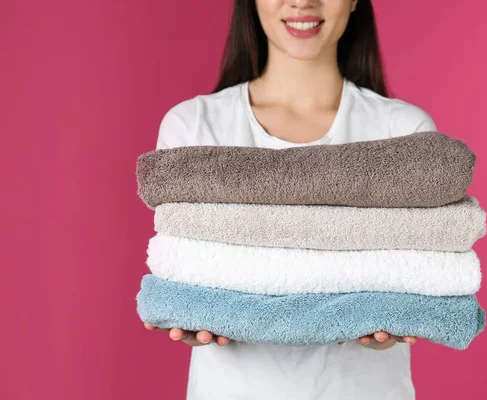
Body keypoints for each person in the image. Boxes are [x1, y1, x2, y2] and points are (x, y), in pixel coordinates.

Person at [143, 0, 437, 398]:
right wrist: (190, 306)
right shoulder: (194, 127)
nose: (303, 1)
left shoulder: (404, 132)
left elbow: (420, 267)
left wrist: (402, 313)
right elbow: (180, 266)